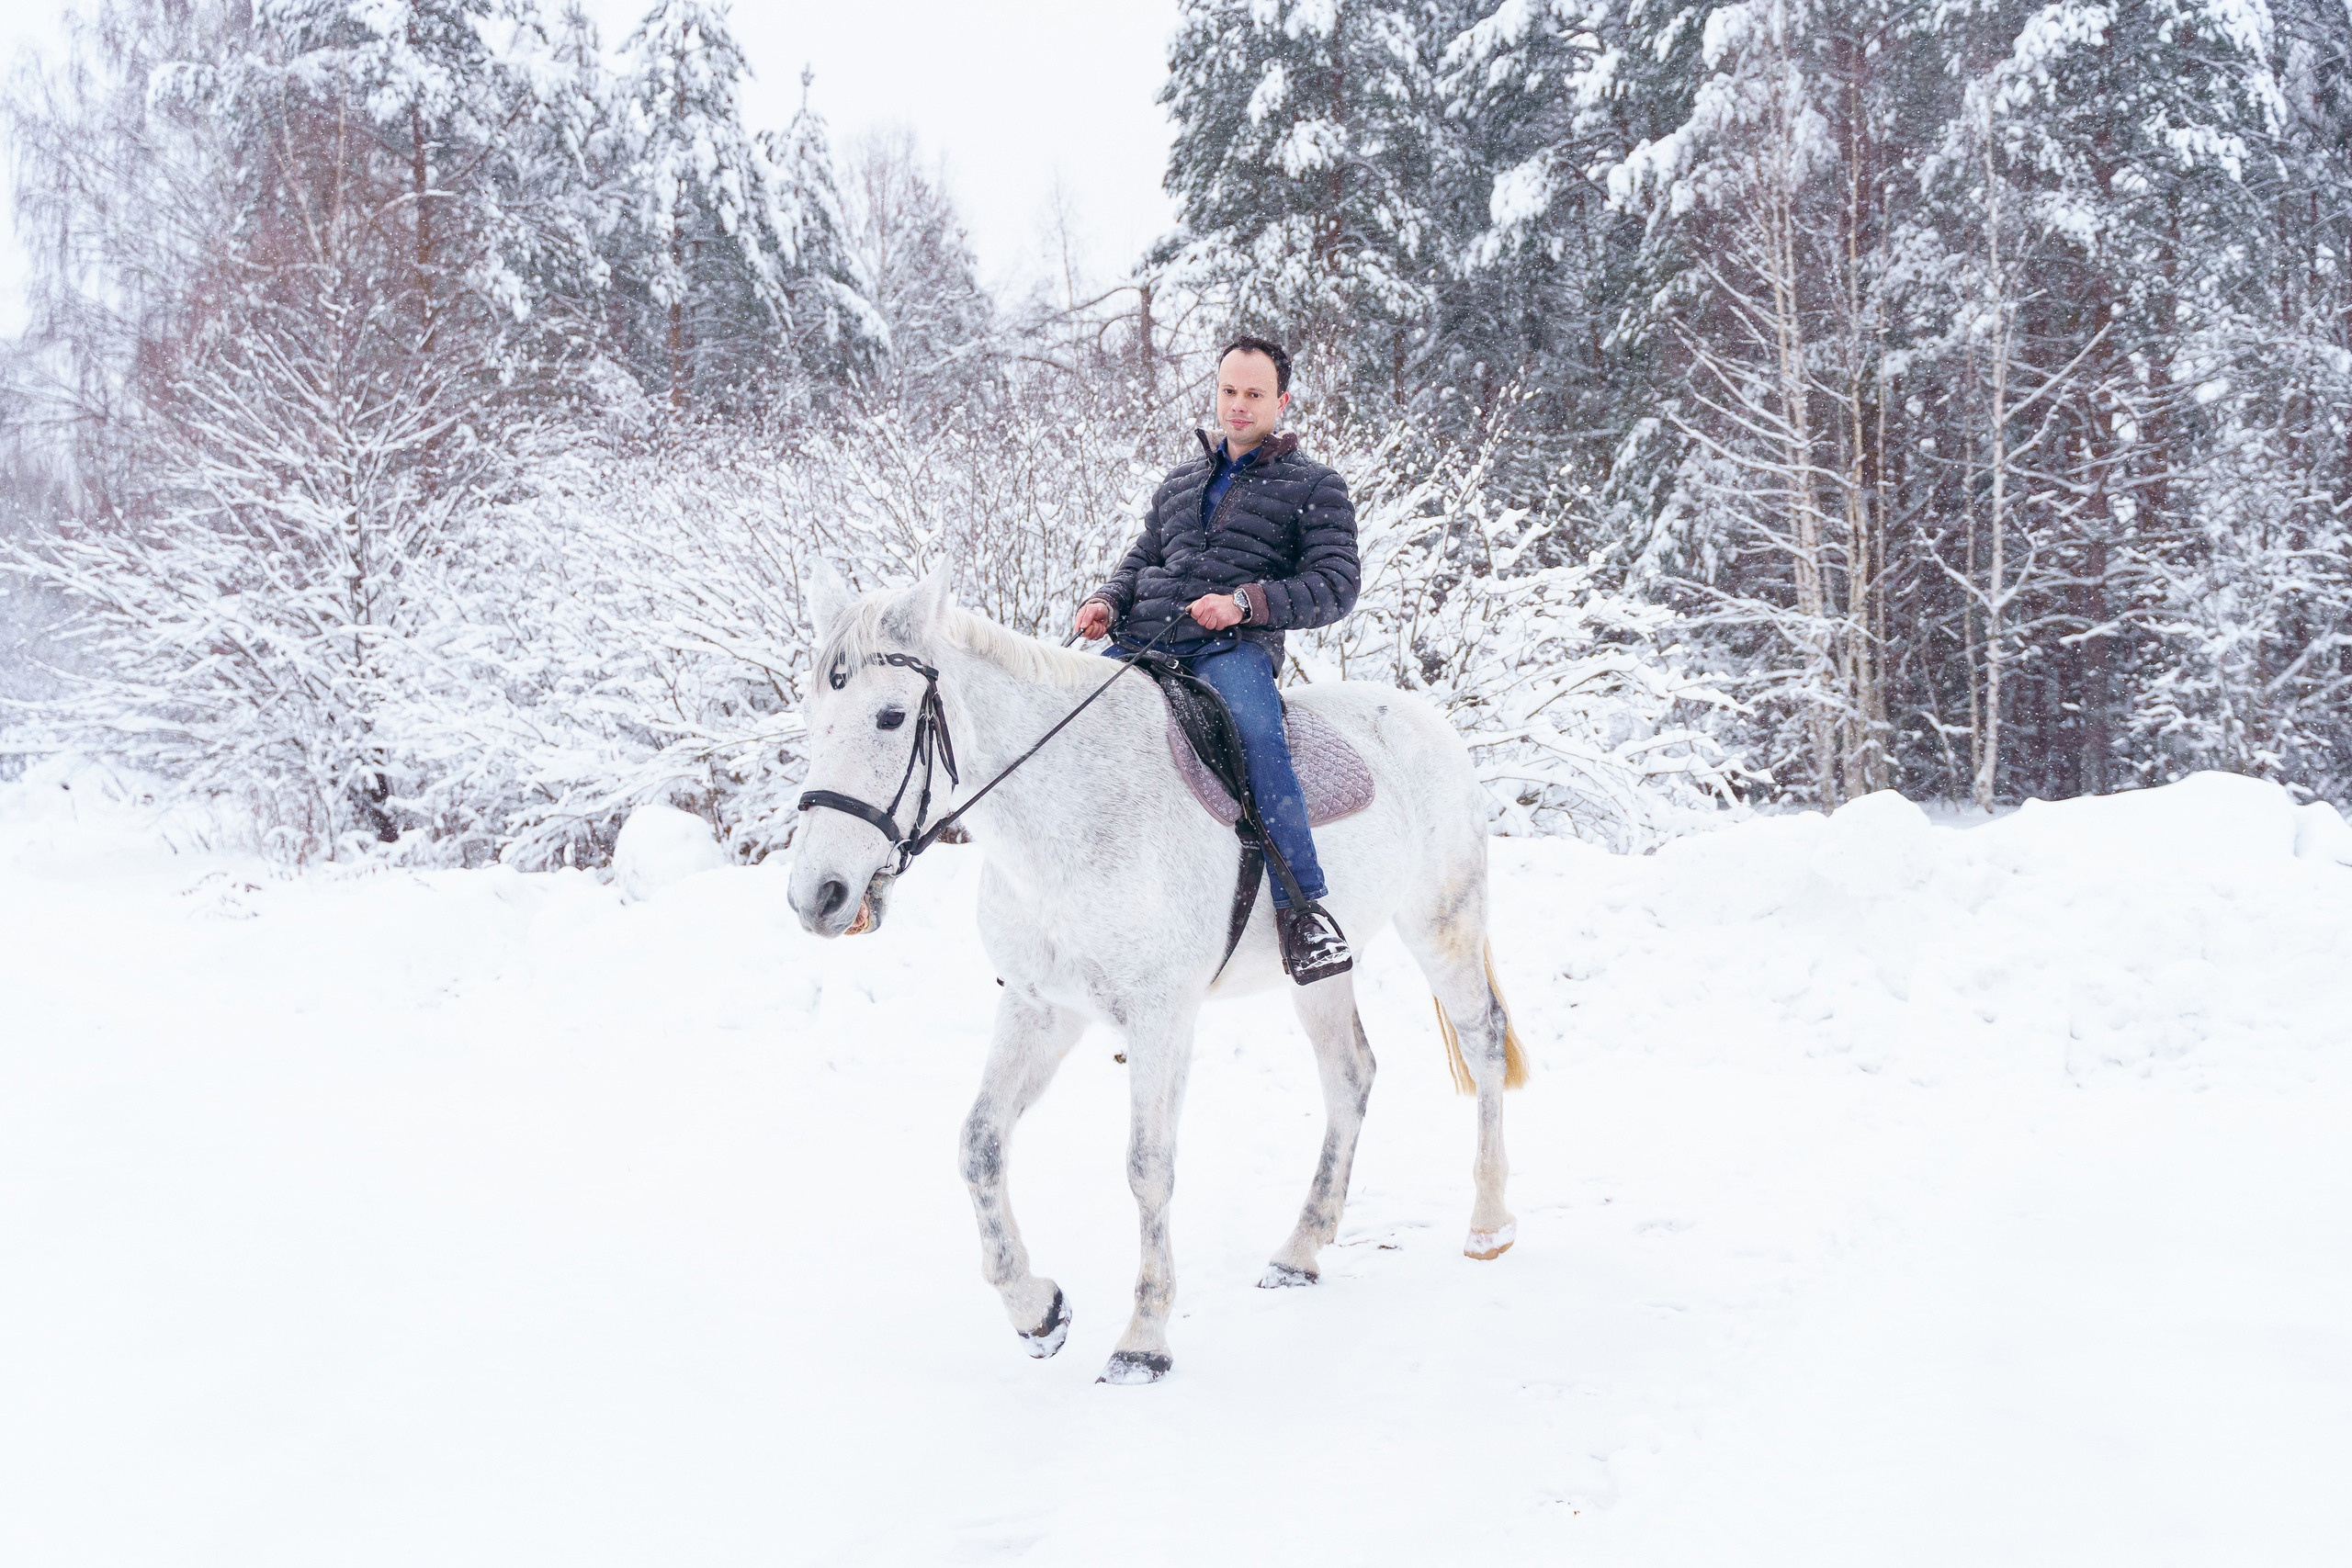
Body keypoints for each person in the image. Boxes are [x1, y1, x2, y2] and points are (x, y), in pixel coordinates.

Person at [1075, 334, 1359, 984]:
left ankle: (1302, 911)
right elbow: (1143, 558)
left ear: (1282, 402)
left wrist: (1243, 603)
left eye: (1254, 394)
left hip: (1232, 649)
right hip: (1146, 642)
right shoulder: (1180, 482)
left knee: (1258, 734)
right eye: (1229, 390)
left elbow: (1337, 585)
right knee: (1071, 720)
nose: (1238, 405)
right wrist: (1108, 600)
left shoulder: (1314, 485)